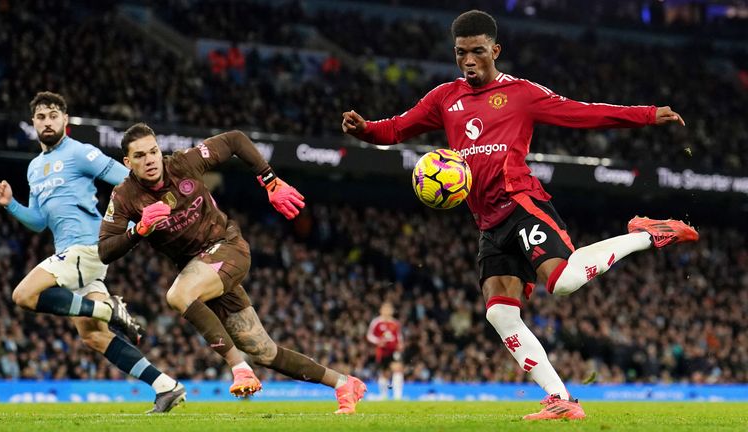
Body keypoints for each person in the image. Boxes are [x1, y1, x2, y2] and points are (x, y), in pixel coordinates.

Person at [342, 10, 699, 420]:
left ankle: (647, 233)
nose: (469, 60)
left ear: (496, 50)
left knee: (562, 283)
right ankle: (560, 399)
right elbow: (398, 128)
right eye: (461, 53)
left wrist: (647, 113)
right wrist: (366, 129)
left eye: (477, 51)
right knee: (500, 313)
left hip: (522, 203)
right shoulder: (444, 98)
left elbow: (582, 113)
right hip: (488, 223)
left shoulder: (522, 94)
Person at [98, 123, 367, 414]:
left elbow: (236, 140)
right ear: (127, 162)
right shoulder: (124, 196)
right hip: (200, 269)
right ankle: (343, 383)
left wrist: (270, 181)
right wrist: (139, 229)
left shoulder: (184, 163)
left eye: (153, 152)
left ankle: (239, 368)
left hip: (228, 247)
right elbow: (105, 251)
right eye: (139, 156)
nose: (150, 160)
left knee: (178, 295)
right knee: (264, 351)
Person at [0, 91, 185, 413]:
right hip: (73, 254)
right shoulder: (34, 168)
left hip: (87, 247)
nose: (47, 121)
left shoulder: (79, 152)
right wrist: (10, 204)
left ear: (65, 120)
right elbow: (39, 222)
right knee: (93, 337)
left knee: (23, 294)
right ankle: (166, 386)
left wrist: (131, 214)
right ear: (34, 123)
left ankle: (110, 310)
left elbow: (125, 177)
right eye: (41, 117)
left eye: (54, 115)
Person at [366, 302, 404, 400]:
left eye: (389, 309)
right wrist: (378, 341)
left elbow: (399, 336)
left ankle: (397, 396)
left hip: (393, 351)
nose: (387, 311)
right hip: (382, 352)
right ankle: (384, 396)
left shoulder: (395, 323)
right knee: (385, 374)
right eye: (385, 309)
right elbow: (369, 335)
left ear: (392, 311)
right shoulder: (376, 322)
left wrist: (400, 344)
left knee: (398, 369)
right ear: (381, 310)